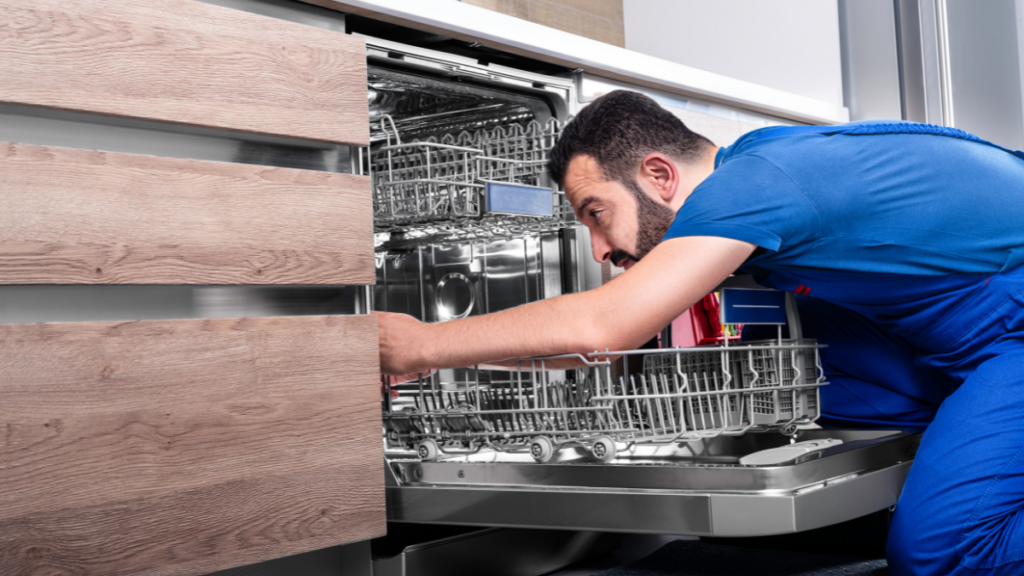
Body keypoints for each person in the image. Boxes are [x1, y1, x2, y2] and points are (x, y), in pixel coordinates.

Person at [375, 90, 1024, 576]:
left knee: (941, 550)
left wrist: (423, 344)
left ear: (659, 176)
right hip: (968, 328)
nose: (598, 248)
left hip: (1010, 332)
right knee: (816, 376)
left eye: (597, 214)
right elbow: (608, 339)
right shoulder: (762, 173)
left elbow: (605, 326)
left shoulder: (755, 187)